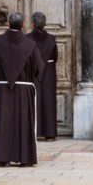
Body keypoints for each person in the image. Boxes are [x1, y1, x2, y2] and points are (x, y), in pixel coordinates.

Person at [0, 11, 44, 167]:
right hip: (24, 91)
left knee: (3, 123)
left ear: (8, 24)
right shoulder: (31, 45)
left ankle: (2, 158)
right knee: (24, 122)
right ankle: (24, 159)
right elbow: (39, 68)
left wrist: (1, 75)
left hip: (3, 89)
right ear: (24, 25)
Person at [26, 12, 58, 142]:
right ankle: (49, 134)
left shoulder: (26, 38)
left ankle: (32, 132)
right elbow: (55, 57)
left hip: (32, 72)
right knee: (48, 100)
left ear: (32, 24)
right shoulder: (51, 39)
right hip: (48, 72)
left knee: (32, 100)